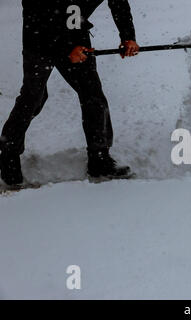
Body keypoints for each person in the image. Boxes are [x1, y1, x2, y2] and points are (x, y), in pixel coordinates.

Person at [0, 0, 140, 186]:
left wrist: (127, 36)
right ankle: (8, 156)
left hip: (76, 38)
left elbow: (119, 3)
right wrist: (67, 49)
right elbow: (38, 14)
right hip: (40, 38)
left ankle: (99, 159)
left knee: (93, 95)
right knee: (33, 97)